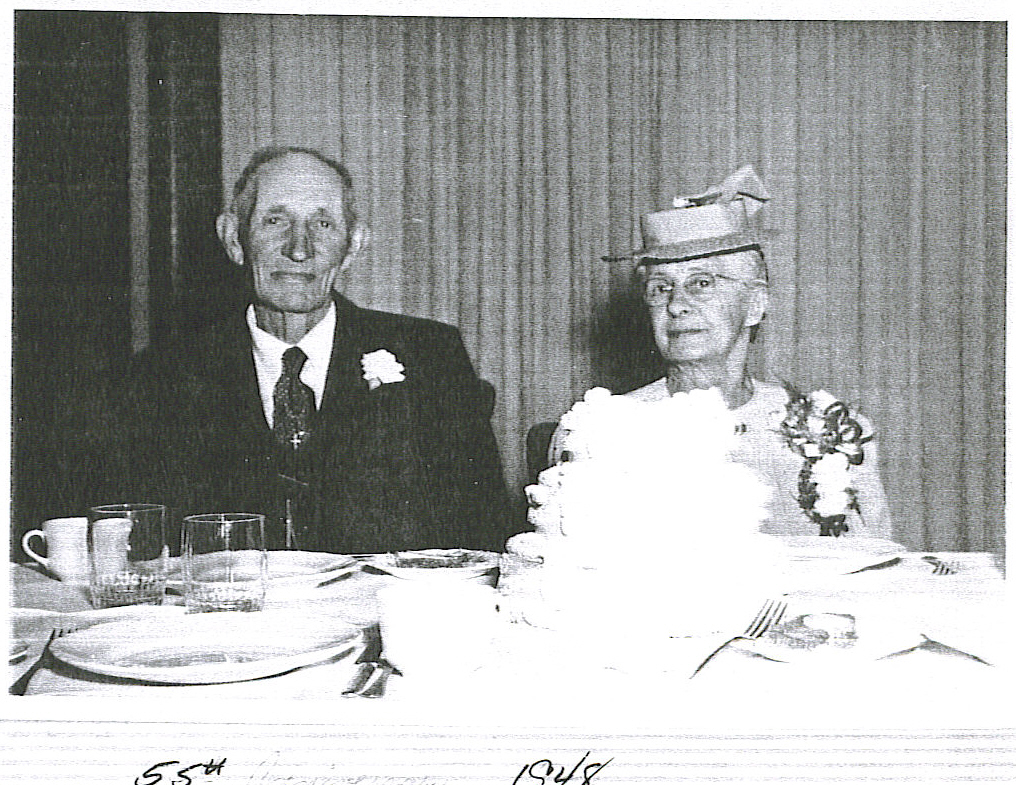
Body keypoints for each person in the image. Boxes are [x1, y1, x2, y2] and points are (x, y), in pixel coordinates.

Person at [111, 146, 514, 553]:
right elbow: (138, 544)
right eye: (275, 221)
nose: (299, 249)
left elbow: (483, 535)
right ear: (234, 238)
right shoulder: (161, 376)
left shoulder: (431, 355)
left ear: (352, 246)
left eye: (322, 224)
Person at [556, 165, 894, 540]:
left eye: (701, 283)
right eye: (660, 288)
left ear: (755, 304)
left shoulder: (833, 428)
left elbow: (880, 558)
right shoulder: (601, 430)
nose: (676, 305)